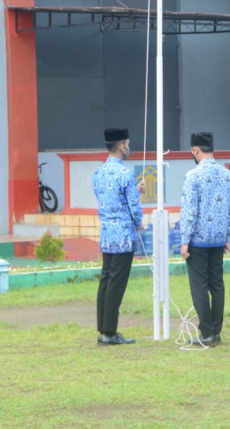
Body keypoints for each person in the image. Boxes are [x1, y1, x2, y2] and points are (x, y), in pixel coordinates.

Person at [180, 132, 230, 347]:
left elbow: (189, 211)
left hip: (198, 239)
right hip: (218, 239)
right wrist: (227, 237)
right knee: (217, 284)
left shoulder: (192, 176)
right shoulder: (227, 175)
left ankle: (206, 333)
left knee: (199, 286)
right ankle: (217, 331)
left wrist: (185, 240)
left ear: (195, 150)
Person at [92, 128, 146, 346]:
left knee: (105, 281)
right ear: (123, 145)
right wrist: (139, 222)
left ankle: (104, 330)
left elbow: (107, 197)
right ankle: (110, 332)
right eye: (128, 143)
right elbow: (133, 205)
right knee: (117, 284)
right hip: (123, 235)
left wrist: (134, 190)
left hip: (106, 235)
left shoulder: (99, 172)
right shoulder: (126, 173)